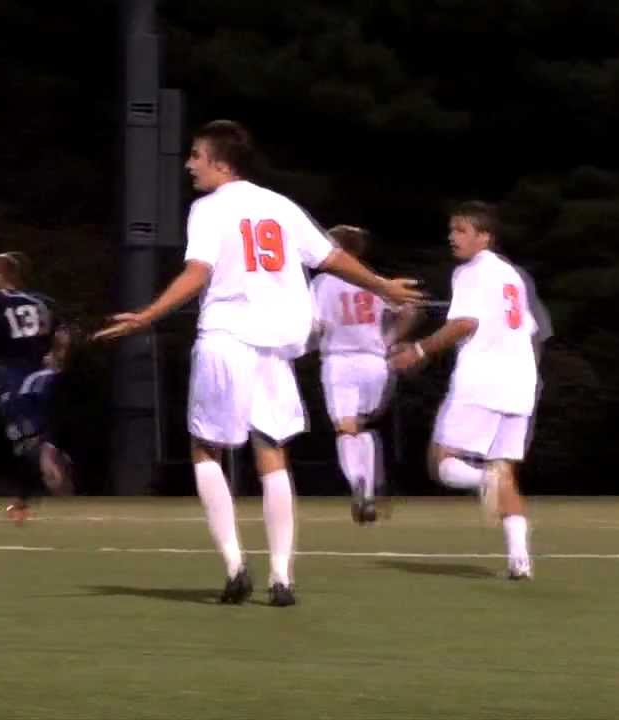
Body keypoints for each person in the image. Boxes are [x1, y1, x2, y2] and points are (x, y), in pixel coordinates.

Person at [94, 120, 423, 606]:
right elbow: (329, 258)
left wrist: (148, 315)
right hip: (274, 344)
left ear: (221, 163)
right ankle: (282, 577)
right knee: (272, 455)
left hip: (227, 336)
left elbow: (198, 271)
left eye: (196, 155)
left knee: (206, 451)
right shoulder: (279, 205)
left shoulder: (208, 208)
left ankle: (234, 567)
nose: (189, 164)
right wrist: (382, 285)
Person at [390, 201, 546, 580]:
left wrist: (420, 349)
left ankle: (484, 481)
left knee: (441, 463)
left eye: (461, 230)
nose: (452, 236)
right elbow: (527, 329)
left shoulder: (471, 272)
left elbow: (464, 323)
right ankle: (519, 560)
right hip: (520, 382)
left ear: (485, 237)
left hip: (483, 379)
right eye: (452, 229)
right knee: (503, 469)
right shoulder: (510, 275)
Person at [309, 224, 419, 523]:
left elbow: (314, 326)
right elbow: (410, 310)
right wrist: (390, 339)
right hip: (374, 362)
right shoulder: (376, 281)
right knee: (362, 426)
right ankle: (367, 488)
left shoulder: (323, 283)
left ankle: (358, 481)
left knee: (346, 428)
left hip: (339, 361)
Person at [0, 251, 73, 522]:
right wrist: (58, 357)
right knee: (35, 438)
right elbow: (65, 331)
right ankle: (23, 501)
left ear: (1, 276)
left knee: (26, 444)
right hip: (46, 379)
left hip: (14, 382)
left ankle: (45, 461)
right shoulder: (42, 301)